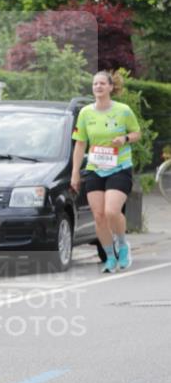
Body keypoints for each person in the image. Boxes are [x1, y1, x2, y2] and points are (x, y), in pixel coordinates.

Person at [71, 71, 141, 273]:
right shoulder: (85, 113)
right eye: (95, 84)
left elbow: (136, 133)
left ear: (111, 87)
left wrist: (125, 139)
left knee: (111, 211)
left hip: (119, 167)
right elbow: (80, 143)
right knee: (99, 216)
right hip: (95, 168)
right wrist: (76, 172)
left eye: (102, 83)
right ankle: (110, 257)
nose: (98, 87)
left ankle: (122, 245)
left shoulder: (123, 110)